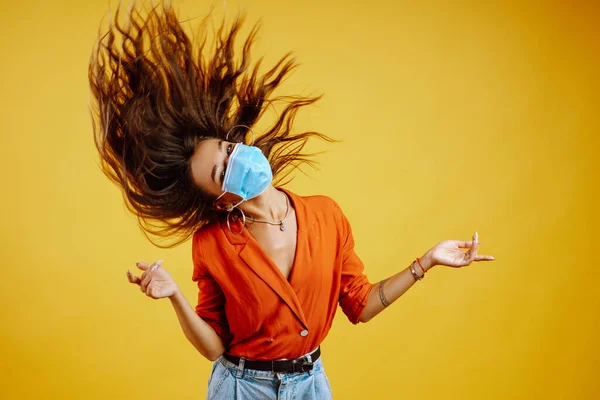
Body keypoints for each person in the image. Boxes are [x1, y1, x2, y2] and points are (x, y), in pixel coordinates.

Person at [88, 1, 496, 398]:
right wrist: (174, 295)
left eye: (229, 149)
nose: (237, 159)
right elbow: (214, 347)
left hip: (311, 385)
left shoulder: (327, 214)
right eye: (221, 172)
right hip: (240, 388)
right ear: (219, 200)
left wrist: (427, 261)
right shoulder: (211, 243)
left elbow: (361, 306)